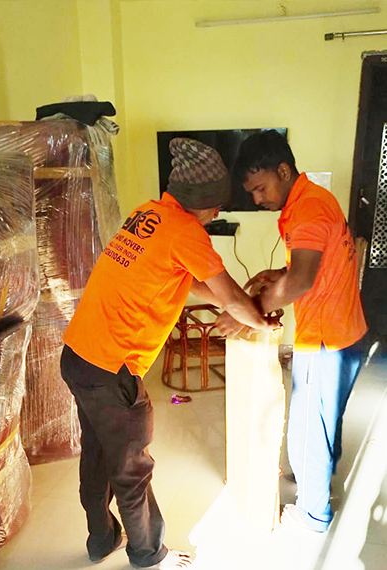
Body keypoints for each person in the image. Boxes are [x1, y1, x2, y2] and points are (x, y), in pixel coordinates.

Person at [60, 138, 275, 568]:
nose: (218, 213)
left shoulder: (149, 214)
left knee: (98, 453)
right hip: (112, 368)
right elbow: (231, 297)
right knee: (132, 467)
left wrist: (231, 304)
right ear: (202, 201)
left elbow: (185, 281)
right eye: (217, 205)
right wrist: (263, 320)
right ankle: (148, 554)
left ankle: (101, 540)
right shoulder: (187, 231)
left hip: (79, 355)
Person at [217, 130, 367, 533]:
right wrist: (279, 273)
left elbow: (301, 281)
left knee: (307, 427)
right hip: (347, 333)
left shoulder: (307, 209)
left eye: (260, 188)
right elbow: (310, 265)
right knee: (325, 419)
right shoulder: (314, 199)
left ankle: (312, 514)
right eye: (251, 192)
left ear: (283, 171)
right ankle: (318, 480)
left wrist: (248, 312)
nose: (257, 199)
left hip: (325, 339)